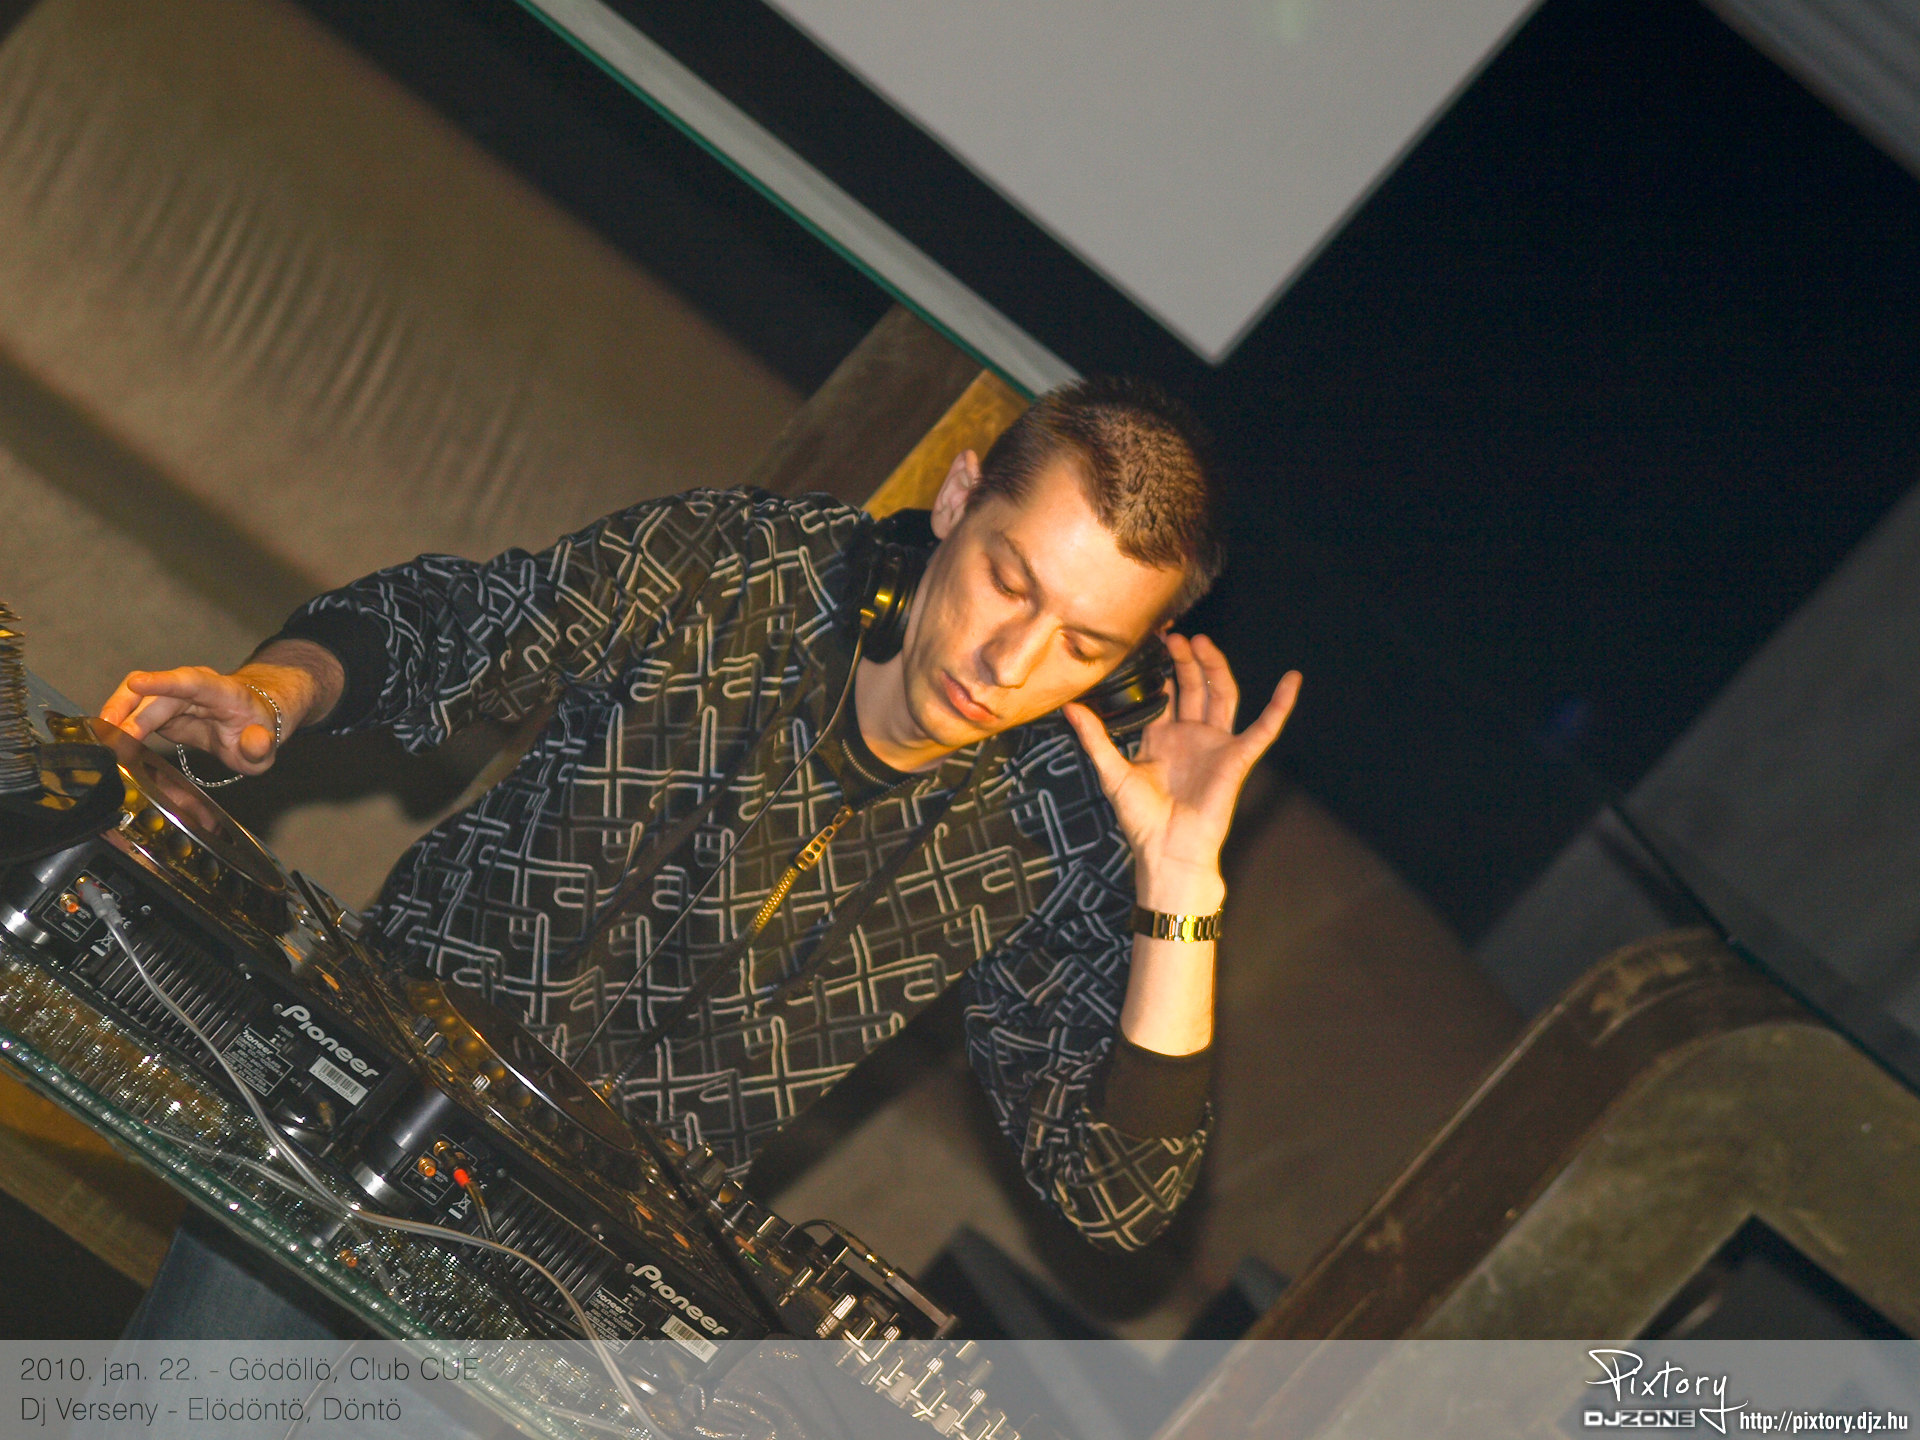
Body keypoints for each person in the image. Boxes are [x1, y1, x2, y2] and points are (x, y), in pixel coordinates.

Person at [103, 377, 1300, 1328]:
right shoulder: (748, 567)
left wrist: (1181, 886)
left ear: (1132, 663)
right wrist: (283, 690)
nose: (1011, 662)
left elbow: (1115, 1201)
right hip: (362, 1102)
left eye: (1083, 646)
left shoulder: (1053, 826)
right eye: (1007, 581)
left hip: (568, 1288)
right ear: (956, 498)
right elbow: (468, 624)